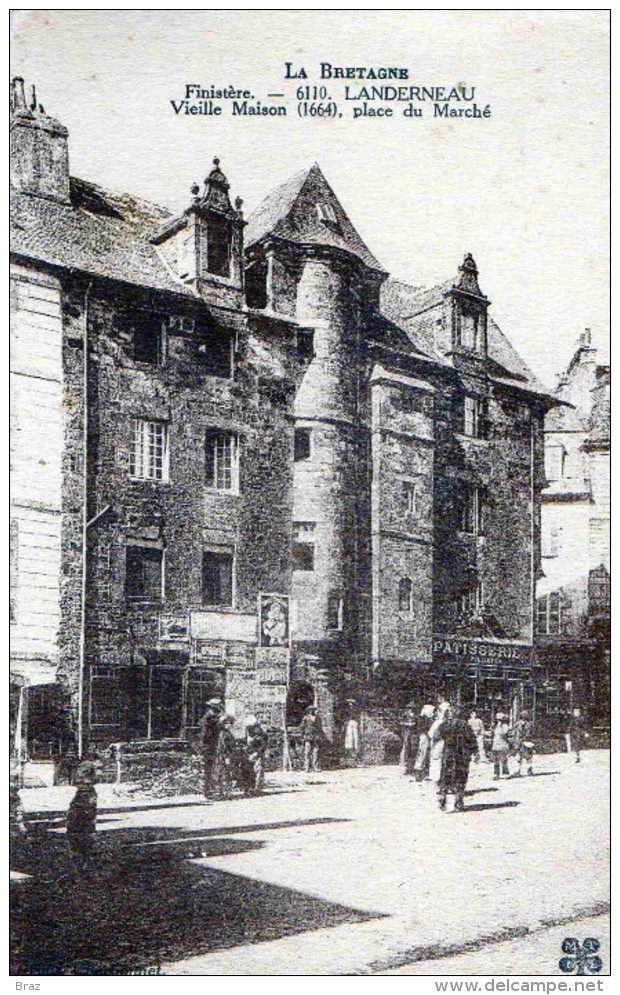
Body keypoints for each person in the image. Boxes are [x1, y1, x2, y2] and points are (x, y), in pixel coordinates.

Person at [437, 708, 478, 812]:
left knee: (445, 775)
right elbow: (472, 739)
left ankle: (442, 799)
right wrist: (475, 751)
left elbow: (436, 735)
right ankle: (458, 802)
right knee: (461, 776)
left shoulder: (445, 724)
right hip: (462, 754)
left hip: (448, 754)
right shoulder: (465, 725)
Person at [66, 755, 98, 867]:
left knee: (82, 834)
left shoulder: (86, 793)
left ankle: (82, 858)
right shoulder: (85, 794)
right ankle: (83, 858)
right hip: (82, 816)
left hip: (83, 816)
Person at [200, 698, 223, 798]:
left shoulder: (213, 716)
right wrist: (218, 725)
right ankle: (208, 791)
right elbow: (206, 734)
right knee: (209, 769)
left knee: (215, 768)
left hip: (214, 745)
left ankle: (213, 790)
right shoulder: (208, 717)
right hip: (208, 746)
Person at [211, 714, 236, 799]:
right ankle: (222, 792)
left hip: (225, 755)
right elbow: (224, 746)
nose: (230, 725)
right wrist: (226, 756)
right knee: (223, 774)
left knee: (226, 774)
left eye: (230, 723)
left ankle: (226, 792)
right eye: (228, 723)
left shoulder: (227, 733)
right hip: (223, 756)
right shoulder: (223, 734)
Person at [428, 692, 451, 783]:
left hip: (439, 738)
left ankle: (437, 776)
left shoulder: (444, 708)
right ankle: (435, 775)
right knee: (435, 756)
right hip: (436, 736)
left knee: (437, 756)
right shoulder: (438, 721)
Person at [245, 715, 268, 794]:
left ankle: (257, 788)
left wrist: (258, 752)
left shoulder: (261, 733)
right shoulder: (248, 731)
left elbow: (263, 744)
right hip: (250, 753)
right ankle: (250, 787)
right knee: (250, 771)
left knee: (259, 770)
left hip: (258, 753)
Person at [413, 704, 436, 781]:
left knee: (425, 754)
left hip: (425, 736)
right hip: (424, 737)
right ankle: (419, 773)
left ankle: (423, 773)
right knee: (423, 753)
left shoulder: (425, 718)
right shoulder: (423, 719)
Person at [511, 709, 535, 776]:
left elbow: (515, 734)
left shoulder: (520, 724)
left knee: (523, 757)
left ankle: (521, 771)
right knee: (526, 757)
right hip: (524, 742)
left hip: (523, 742)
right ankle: (526, 771)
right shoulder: (530, 724)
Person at [300, 705, 321, 772]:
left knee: (316, 752)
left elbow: (319, 727)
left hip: (315, 737)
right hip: (308, 737)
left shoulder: (317, 718)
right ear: (308, 711)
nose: (311, 711)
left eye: (313, 710)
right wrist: (302, 735)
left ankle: (316, 767)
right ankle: (307, 767)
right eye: (310, 710)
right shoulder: (305, 718)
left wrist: (319, 735)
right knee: (307, 752)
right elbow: (302, 727)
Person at [491, 712, 511, 779]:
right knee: (495, 760)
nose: (498, 721)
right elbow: (493, 734)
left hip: (503, 744)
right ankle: (496, 773)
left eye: (500, 719)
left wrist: (500, 726)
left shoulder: (505, 726)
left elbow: (503, 733)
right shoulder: (495, 726)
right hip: (495, 744)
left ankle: (505, 773)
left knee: (503, 759)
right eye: (498, 719)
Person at [400, 702, 418, 776]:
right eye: (409, 708)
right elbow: (401, 722)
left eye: (412, 708)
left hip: (413, 734)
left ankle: (413, 768)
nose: (411, 709)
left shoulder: (416, 716)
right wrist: (406, 724)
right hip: (407, 733)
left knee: (413, 750)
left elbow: (418, 724)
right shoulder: (405, 715)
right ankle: (407, 768)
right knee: (407, 750)